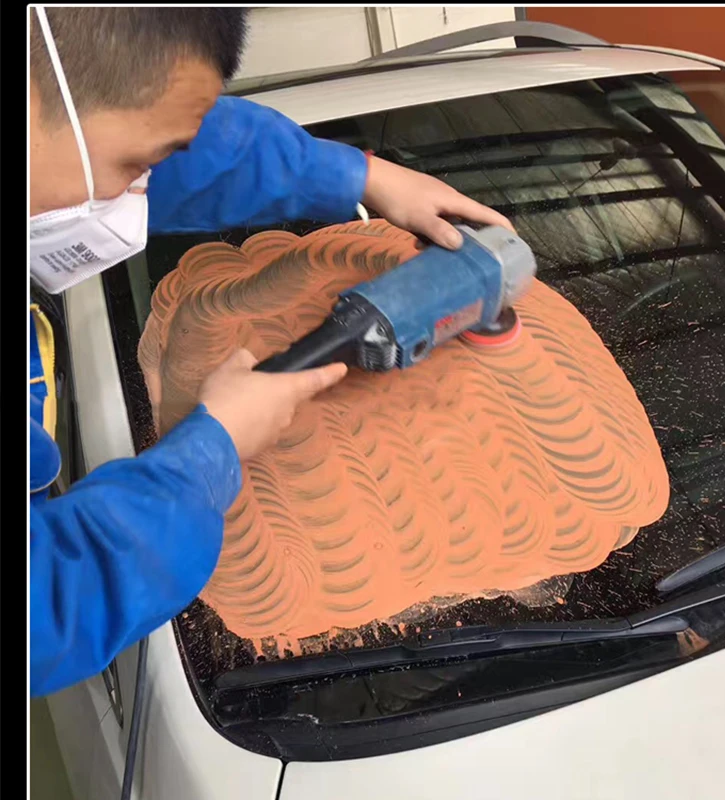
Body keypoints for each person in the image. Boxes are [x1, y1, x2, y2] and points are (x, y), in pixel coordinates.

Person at [29, 7, 513, 697]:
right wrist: (209, 453)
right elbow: (43, 607)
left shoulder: (56, 130)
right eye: (134, 167)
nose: (137, 198)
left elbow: (179, 146)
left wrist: (359, 177)